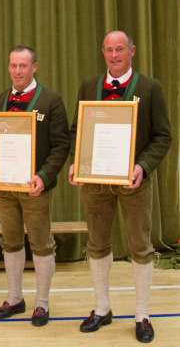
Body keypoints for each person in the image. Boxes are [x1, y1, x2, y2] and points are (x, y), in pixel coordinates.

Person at [68, 31, 171, 343]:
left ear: (132, 52)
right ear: (103, 52)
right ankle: (102, 308)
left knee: (140, 247)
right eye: (109, 50)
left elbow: (163, 137)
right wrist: (77, 160)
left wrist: (142, 166)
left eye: (120, 49)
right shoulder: (89, 86)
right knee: (97, 244)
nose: (114, 55)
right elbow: (77, 130)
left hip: (134, 181)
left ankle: (142, 314)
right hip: (95, 182)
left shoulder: (150, 88)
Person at [0, 45, 69, 326]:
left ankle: (42, 303)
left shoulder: (51, 100)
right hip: (3, 187)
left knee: (40, 243)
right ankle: (15, 298)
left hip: (34, 187)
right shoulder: (0, 98)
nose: (18, 71)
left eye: (23, 66)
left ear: (34, 67)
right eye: (13, 66)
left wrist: (44, 176)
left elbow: (61, 145)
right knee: (11, 241)